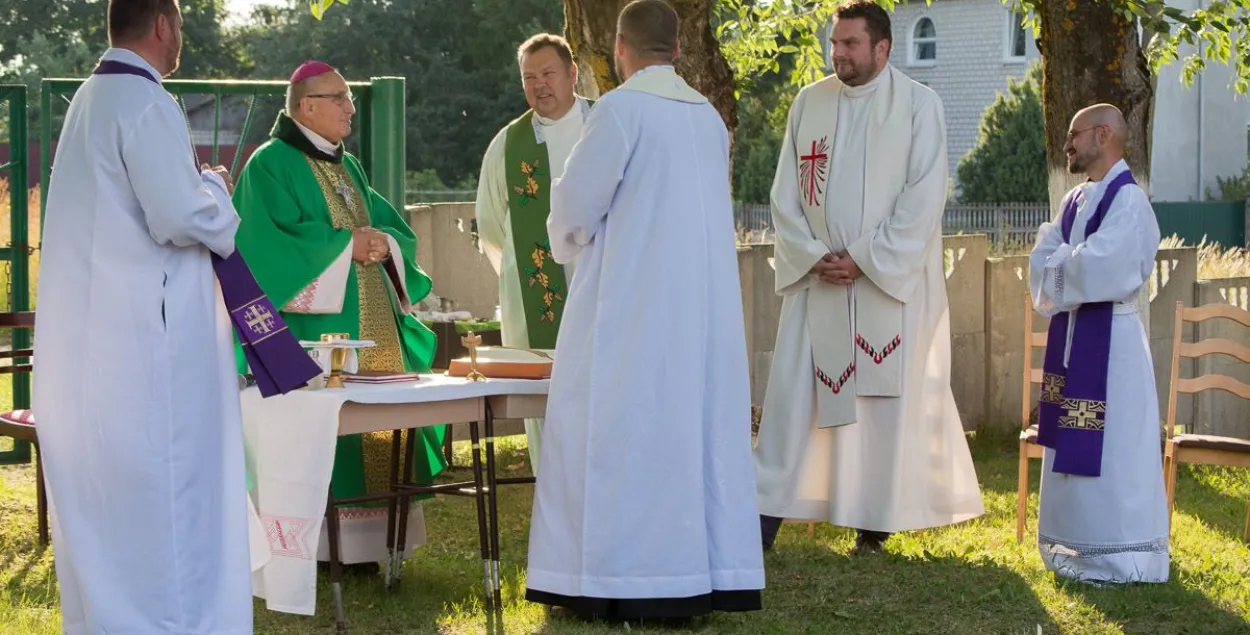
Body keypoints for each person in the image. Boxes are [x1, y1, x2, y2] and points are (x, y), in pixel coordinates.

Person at [524, 0, 765, 622]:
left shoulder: (621, 111)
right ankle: (697, 574)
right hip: (698, 317)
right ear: (678, 51)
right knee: (688, 436)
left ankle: (615, 580)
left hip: (628, 311)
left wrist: (567, 239)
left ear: (621, 50)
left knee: (617, 434)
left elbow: (575, 209)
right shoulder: (709, 118)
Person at [32, 1, 253, 632]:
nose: (179, 38)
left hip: (94, 341)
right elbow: (182, 217)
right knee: (167, 499)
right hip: (148, 346)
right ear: (162, 24)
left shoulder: (88, 101)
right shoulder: (147, 103)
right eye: (179, 25)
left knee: (112, 511)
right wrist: (214, 185)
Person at [752, 1, 984, 555]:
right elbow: (784, 195)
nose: (839, 55)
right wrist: (813, 256)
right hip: (819, 285)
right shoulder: (809, 103)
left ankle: (872, 528)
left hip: (885, 288)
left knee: (879, 409)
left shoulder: (918, 106)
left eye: (851, 44)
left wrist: (862, 258)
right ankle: (759, 523)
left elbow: (924, 198)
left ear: (883, 47)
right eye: (835, 44)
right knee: (792, 403)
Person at [230, 61, 444, 571]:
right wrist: (346, 245)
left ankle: (374, 548)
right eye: (340, 98)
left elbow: (384, 224)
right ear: (307, 106)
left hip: (371, 323)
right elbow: (262, 246)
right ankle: (322, 551)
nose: (351, 108)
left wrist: (382, 243)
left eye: (349, 97)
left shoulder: (347, 165)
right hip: (314, 330)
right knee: (323, 429)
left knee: (377, 419)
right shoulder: (270, 164)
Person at [1028, 103, 1169, 583]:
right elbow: (1041, 258)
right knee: (1070, 441)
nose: (1067, 144)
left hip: (1114, 346)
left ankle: (1122, 557)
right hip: (1073, 338)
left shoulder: (1130, 203)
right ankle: (1075, 549)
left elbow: (1100, 267)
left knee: (1116, 449)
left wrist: (1066, 260)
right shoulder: (1075, 201)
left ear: (1104, 134)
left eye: (1075, 134)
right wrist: (1069, 260)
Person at [474, 33, 592, 475]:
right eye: (529, 78)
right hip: (536, 295)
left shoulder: (605, 126)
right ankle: (553, 496)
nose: (540, 85)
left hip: (602, 291)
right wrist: (524, 276)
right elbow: (490, 226)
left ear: (572, 74)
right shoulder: (508, 144)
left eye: (548, 73)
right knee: (545, 406)